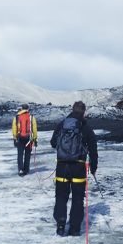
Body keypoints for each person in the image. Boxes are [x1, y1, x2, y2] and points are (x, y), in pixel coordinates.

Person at [50, 100, 98, 236]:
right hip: (78, 168)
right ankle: (74, 228)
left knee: (61, 196)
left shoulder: (62, 125)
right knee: (77, 198)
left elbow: (53, 143)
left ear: (72, 109)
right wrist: (93, 167)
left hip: (62, 167)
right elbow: (93, 149)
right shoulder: (86, 127)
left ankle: (60, 225)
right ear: (84, 112)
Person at [11, 104, 38, 176]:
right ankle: (26, 169)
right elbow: (34, 128)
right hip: (29, 138)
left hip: (19, 138)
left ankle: (20, 169)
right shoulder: (31, 117)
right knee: (27, 154)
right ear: (28, 109)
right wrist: (35, 139)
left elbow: (14, 128)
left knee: (20, 154)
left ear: (21, 108)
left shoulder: (17, 117)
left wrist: (14, 138)